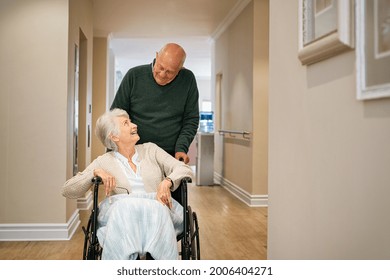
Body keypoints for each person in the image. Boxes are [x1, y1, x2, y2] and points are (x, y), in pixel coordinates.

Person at [61, 108, 194, 260]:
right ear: (114, 136)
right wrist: (94, 172)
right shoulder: (104, 161)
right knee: (124, 207)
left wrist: (167, 182)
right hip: (122, 216)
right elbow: (68, 190)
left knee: (157, 207)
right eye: (126, 123)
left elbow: (183, 169)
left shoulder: (151, 149)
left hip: (156, 212)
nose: (134, 125)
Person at [110, 43, 199, 164]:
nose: (162, 75)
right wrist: (115, 149)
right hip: (134, 152)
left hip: (169, 155)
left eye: (169, 72)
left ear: (180, 70)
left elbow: (191, 120)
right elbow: (116, 116)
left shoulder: (188, 80)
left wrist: (181, 148)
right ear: (157, 56)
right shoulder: (134, 76)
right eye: (160, 67)